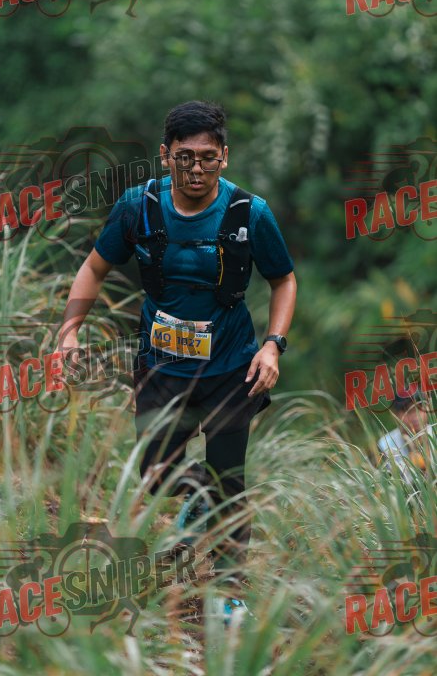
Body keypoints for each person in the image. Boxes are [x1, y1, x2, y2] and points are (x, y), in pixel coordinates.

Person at [58, 100, 297, 617]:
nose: (196, 169)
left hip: (232, 367)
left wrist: (273, 345)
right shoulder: (138, 206)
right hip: (162, 366)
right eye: (185, 157)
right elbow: (94, 268)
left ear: (224, 156)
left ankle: (230, 592)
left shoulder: (249, 213)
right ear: (166, 155)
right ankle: (198, 500)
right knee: (155, 472)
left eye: (208, 158)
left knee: (229, 479)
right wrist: (70, 331)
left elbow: (283, 280)